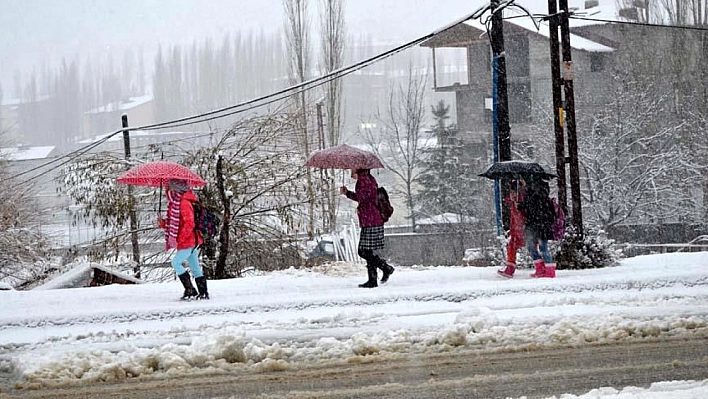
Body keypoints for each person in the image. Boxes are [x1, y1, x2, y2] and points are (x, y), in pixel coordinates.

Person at [340, 168, 394, 288]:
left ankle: (386, 268)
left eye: (351, 169)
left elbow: (363, 199)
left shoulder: (364, 180)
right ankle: (372, 280)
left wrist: (348, 193)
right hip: (371, 220)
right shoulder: (367, 179)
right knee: (368, 251)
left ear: (357, 169)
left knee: (363, 251)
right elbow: (363, 198)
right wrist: (347, 193)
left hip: (371, 220)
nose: (350, 171)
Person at [158, 179, 210, 299]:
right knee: (195, 267)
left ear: (176, 189)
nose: (166, 189)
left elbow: (189, 223)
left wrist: (181, 238)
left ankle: (190, 290)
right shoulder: (175, 204)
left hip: (189, 240)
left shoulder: (183, 203)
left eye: (168, 187)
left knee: (175, 263)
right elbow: (177, 222)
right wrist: (163, 223)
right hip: (189, 240)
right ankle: (203, 293)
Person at [517, 176, 556, 278]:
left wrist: (522, 204)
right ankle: (542, 269)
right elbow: (529, 206)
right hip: (535, 224)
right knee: (532, 246)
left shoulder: (534, 192)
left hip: (539, 224)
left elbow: (531, 205)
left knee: (542, 247)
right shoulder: (531, 192)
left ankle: (549, 271)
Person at [497, 179, 526, 278]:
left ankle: (543, 268)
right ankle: (510, 269)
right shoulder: (514, 202)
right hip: (517, 230)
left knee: (514, 247)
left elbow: (520, 217)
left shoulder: (520, 202)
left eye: (512, 192)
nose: (511, 194)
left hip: (521, 230)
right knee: (511, 247)